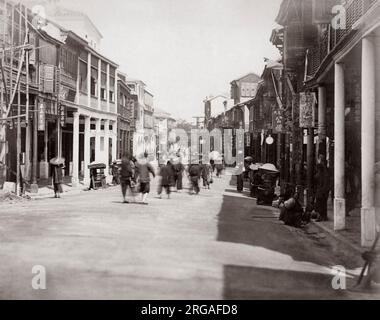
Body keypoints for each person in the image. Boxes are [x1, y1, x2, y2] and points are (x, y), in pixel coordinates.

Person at [314, 154, 330, 222]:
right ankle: (324, 216)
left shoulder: (321, 169)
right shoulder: (325, 169)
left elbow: (318, 178)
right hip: (323, 190)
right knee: (323, 203)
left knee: (319, 203)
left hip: (321, 190)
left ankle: (320, 216)